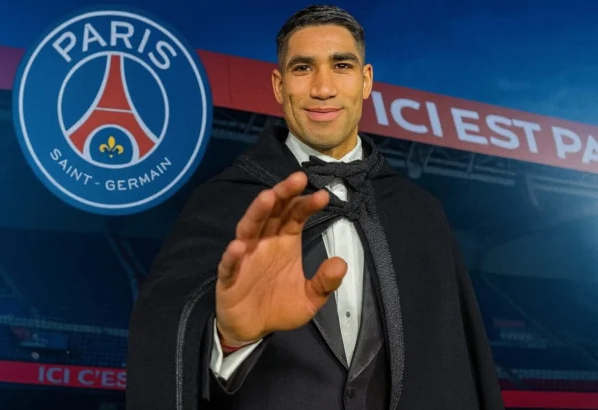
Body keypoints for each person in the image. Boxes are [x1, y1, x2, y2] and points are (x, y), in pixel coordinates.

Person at [126, 5, 504, 410]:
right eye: (303, 68)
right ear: (278, 85)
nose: (323, 88)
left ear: (365, 81)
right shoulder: (224, 201)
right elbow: (163, 350)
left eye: (341, 66)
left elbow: (454, 367)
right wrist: (230, 340)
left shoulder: (421, 215)